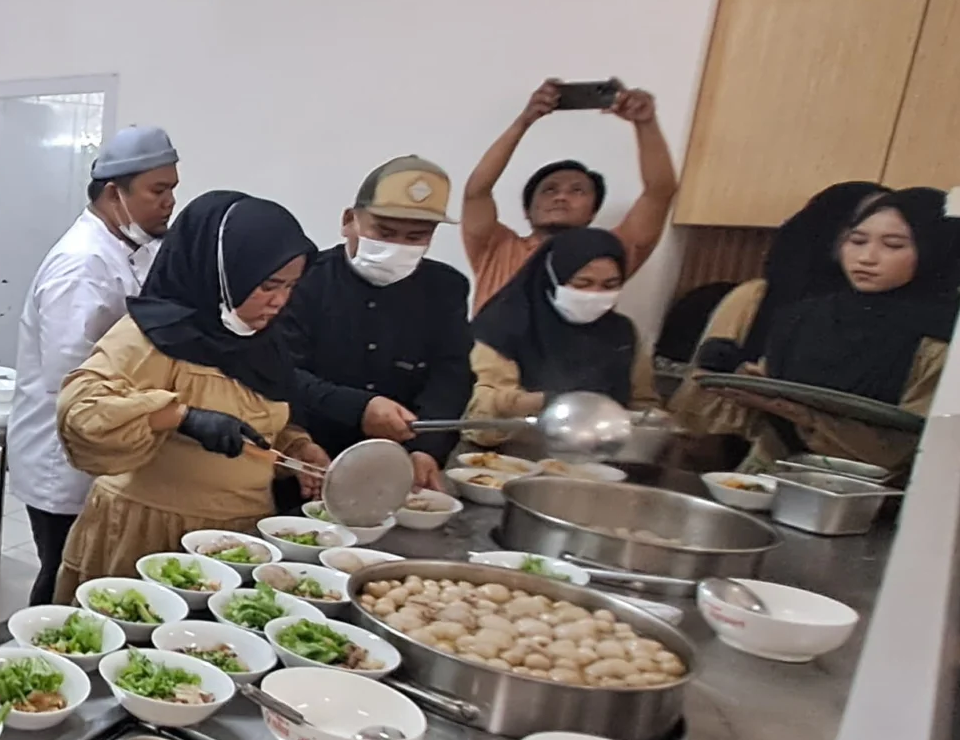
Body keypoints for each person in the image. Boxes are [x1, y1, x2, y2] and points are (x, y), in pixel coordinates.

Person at [52, 192, 328, 597]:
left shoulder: (263, 341)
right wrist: (182, 417)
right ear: (224, 272)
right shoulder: (152, 335)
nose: (280, 301)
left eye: (290, 286)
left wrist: (297, 449)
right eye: (268, 285)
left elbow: (257, 422)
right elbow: (81, 413)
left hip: (240, 537)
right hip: (150, 532)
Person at [8, 125, 178, 606]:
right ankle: (39, 660)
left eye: (172, 190)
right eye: (157, 191)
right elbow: (73, 374)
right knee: (64, 576)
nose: (168, 203)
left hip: (95, 451)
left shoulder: (125, 250)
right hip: (62, 459)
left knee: (85, 576)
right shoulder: (81, 264)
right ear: (113, 192)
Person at [710, 187, 960, 472]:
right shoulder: (803, 316)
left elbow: (909, 446)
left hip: (870, 494)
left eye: (894, 245)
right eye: (857, 240)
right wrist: (740, 378)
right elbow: (765, 412)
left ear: (936, 251)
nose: (867, 257)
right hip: (770, 473)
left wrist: (799, 414)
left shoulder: (947, 335)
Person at [275, 155, 473, 495]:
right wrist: (356, 408)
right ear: (349, 220)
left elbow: (451, 374)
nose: (396, 247)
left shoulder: (446, 288)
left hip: (397, 469)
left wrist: (428, 447)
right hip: (309, 458)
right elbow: (279, 372)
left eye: (415, 237)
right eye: (384, 232)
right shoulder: (303, 281)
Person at [669, 180, 887, 456]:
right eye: (858, 234)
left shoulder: (880, 317)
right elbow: (697, 401)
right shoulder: (756, 297)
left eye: (890, 241)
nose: (869, 253)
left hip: (829, 458)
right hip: (736, 449)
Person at [461, 79, 681, 311]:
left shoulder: (610, 253)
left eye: (577, 190)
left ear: (593, 212)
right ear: (527, 210)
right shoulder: (497, 249)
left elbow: (659, 194)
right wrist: (524, 121)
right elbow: (477, 192)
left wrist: (645, 122)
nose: (561, 197)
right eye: (550, 190)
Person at [465, 228, 662, 437]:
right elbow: (480, 411)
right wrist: (549, 402)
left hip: (601, 457)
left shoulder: (623, 333)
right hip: (509, 454)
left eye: (609, 285)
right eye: (582, 284)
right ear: (551, 279)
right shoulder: (503, 325)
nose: (594, 295)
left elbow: (643, 403)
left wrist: (655, 422)